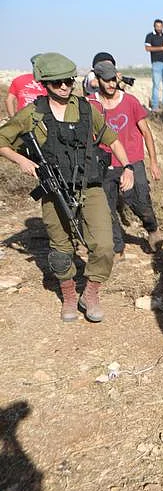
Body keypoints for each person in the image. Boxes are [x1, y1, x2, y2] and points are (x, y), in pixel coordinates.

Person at [0, 53, 133, 323]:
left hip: (89, 185)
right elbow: (3, 140)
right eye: (57, 82)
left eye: (68, 81)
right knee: (61, 248)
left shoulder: (86, 109)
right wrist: (22, 160)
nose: (64, 87)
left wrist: (127, 166)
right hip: (54, 189)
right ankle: (70, 294)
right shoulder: (33, 114)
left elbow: (112, 137)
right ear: (44, 84)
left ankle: (91, 292)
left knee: (104, 245)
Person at [88, 61, 163, 256]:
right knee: (107, 207)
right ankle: (117, 247)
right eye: (107, 80)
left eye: (114, 79)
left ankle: (152, 228)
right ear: (97, 81)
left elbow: (146, 132)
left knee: (140, 200)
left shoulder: (130, 101)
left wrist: (153, 162)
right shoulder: (90, 104)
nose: (111, 84)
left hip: (133, 160)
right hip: (105, 163)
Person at [144, 19, 163, 111]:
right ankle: (155, 106)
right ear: (154, 26)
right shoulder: (150, 36)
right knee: (156, 84)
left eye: (160, 26)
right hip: (157, 63)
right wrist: (161, 48)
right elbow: (147, 48)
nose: (159, 28)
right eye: (157, 26)